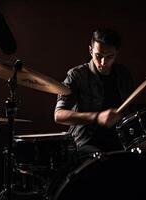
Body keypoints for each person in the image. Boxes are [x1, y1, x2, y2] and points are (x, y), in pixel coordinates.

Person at [54, 28, 137, 156]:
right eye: (99, 56)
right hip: (87, 142)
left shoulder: (123, 74)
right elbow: (59, 115)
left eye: (110, 57)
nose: (103, 62)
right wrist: (97, 117)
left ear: (117, 53)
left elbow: (132, 111)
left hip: (120, 139)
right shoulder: (76, 75)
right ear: (90, 50)